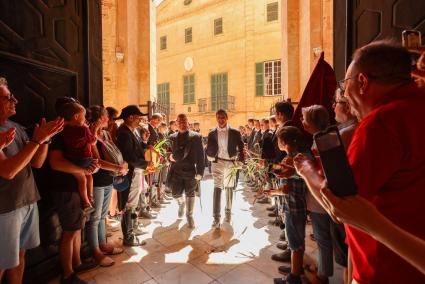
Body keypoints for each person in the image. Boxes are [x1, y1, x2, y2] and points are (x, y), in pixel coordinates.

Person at [305, 40, 425, 283]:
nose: (344, 96)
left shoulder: (381, 124)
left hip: (384, 268)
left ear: (362, 82)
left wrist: (306, 170)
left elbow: (342, 206)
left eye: (345, 84)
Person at [0, 77, 63, 284]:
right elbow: (7, 171)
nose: (15, 101)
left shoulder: (15, 127)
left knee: (19, 257)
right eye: (8, 97)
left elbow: (36, 162)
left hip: (27, 200)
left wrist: (44, 140)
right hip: (5, 208)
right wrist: (36, 140)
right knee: (2, 263)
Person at [49, 97, 98, 284]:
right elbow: (56, 163)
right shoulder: (59, 134)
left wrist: (89, 168)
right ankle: (67, 274)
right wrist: (84, 170)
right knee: (70, 231)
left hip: (73, 187)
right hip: (65, 188)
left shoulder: (73, 131)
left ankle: (77, 262)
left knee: (76, 228)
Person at [265, 126, 310, 284]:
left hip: (292, 206)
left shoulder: (290, 160)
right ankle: (296, 267)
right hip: (300, 205)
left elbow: (286, 189)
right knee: (299, 239)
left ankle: (294, 276)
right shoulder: (299, 157)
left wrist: (272, 192)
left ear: (283, 142)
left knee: (294, 242)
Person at [86, 105, 128, 267]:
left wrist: (121, 165)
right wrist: (119, 168)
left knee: (102, 216)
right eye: (106, 116)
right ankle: (96, 252)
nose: (109, 119)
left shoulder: (105, 133)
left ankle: (103, 244)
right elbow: (97, 161)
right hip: (96, 180)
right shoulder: (89, 134)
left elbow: (114, 152)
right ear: (101, 118)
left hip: (108, 178)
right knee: (94, 218)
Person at [301, 105, 334, 284]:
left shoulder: (323, 140)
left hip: (320, 199)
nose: (302, 122)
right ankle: (323, 267)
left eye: (305, 119)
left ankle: (323, 275)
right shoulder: (319, 138)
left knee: (322, 237)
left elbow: (322, 171)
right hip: (318, 198)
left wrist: (305, 166)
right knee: (322, 236)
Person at [115, 105, 151, 246]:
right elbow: (129, 157)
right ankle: (128, 237)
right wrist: (147, 164)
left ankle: (133, 230)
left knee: (132, 204)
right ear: (130, 117)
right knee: (129, 205)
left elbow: (136, 152)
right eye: (138, 117)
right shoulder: (124, 133)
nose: (140, 120)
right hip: (131, 173)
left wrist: (144, 142)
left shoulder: (131, 131)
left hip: (136, 171)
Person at [206, 109, 244, 229]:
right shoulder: (212, 133)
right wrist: (209, 157)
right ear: (216, 118)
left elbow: (242, 147)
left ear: (227, 118)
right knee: (217, 187)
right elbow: (209, 148)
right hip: (217, 162)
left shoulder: (235, 132)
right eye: (218, 117)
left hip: (230, 162)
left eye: (223, 117)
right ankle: (216, 218)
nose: (221, 120)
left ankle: (228, 212)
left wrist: (241, 161)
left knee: (229, 187)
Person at [168, 113, 205, 228]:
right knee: (175, 193)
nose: (182, 124)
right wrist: (169, 157)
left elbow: (200, 156)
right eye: (180, 122)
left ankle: (189, 215)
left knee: (190, 193)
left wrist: (200, 172)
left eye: (184, 122)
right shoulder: (172, 137)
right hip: (176, 170)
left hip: (190, 170)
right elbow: (167, 153)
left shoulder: (196, 137)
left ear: (188, 123)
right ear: (176, 123)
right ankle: (181, 203)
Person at [61, 103, 97, 213]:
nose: (85, 119)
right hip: (85, 159)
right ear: (76, 116)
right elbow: (92, 141)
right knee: (88, 177)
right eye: (84, 116)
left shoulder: (64, 129)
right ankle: (89, 198)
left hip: (71, 159)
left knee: (81, 179)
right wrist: (93, 132)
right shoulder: (84, 129)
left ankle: (86, 201)